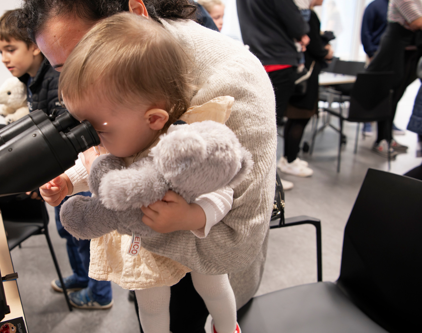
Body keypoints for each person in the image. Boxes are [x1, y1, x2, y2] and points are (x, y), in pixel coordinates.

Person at [19, 0, 276, 332]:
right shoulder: (119, 106)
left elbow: (231, 239)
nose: (77, 78)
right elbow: (103, 159)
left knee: (202, 300)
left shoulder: (224, 87)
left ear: (136, 14)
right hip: (149, 249)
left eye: (87, 56)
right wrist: (72, 179)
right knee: (152, 307)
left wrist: (173, 217)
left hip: (209, 250)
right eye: (61, 69)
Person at [59, 13, 243, 333]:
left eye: (95, 129)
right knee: (151, 305)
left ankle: (227, 328)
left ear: (154, 119)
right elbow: (96, 166)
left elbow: (221, 188)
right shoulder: (116, 135)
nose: (89, 138)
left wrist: (193, 216)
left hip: (191, 238)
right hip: (144, 244)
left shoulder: (186, 143)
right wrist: (65, 182)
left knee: (212, 285)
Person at [0, 9, 113, 310]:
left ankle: (100, 294)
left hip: (75, 167)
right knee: (68, 230)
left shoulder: (56, 77)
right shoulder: (29, 81)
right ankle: (81, 276)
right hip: (58, 172)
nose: (5, 58)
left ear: (35, 45)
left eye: (11, 49)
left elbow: (59, 129)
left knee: (87, 233)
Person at [237, 0, 310, 190]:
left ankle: (258, 177)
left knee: (257, 124)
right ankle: (269, 180)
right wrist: (302, 30)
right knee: (270, 126)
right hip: (279, 61)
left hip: (258, 61)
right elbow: (297, 26)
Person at [281, 0, 333, 177]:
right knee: (300, 118)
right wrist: (326, 50)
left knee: (293, 118)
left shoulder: (300, 14)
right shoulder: (308, 16)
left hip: (298, 73)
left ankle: (288, 158)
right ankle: (290, 160)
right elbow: (316, 48)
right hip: (306, 76)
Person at [366, 0, 422, 157]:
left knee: (395, 98)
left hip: (409, 53)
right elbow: (417, 22)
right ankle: (382, 140)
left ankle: (388, 138)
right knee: (388, 97)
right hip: (394, 53)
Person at [361, 0, 389, 137]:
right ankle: (366, 121)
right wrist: (371, 53)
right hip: (375, 55)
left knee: (389, 91)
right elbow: (365, 32)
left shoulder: (397, 7)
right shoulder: (374, 6)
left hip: (392, 56)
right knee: (371, 89)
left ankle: (387, 122)